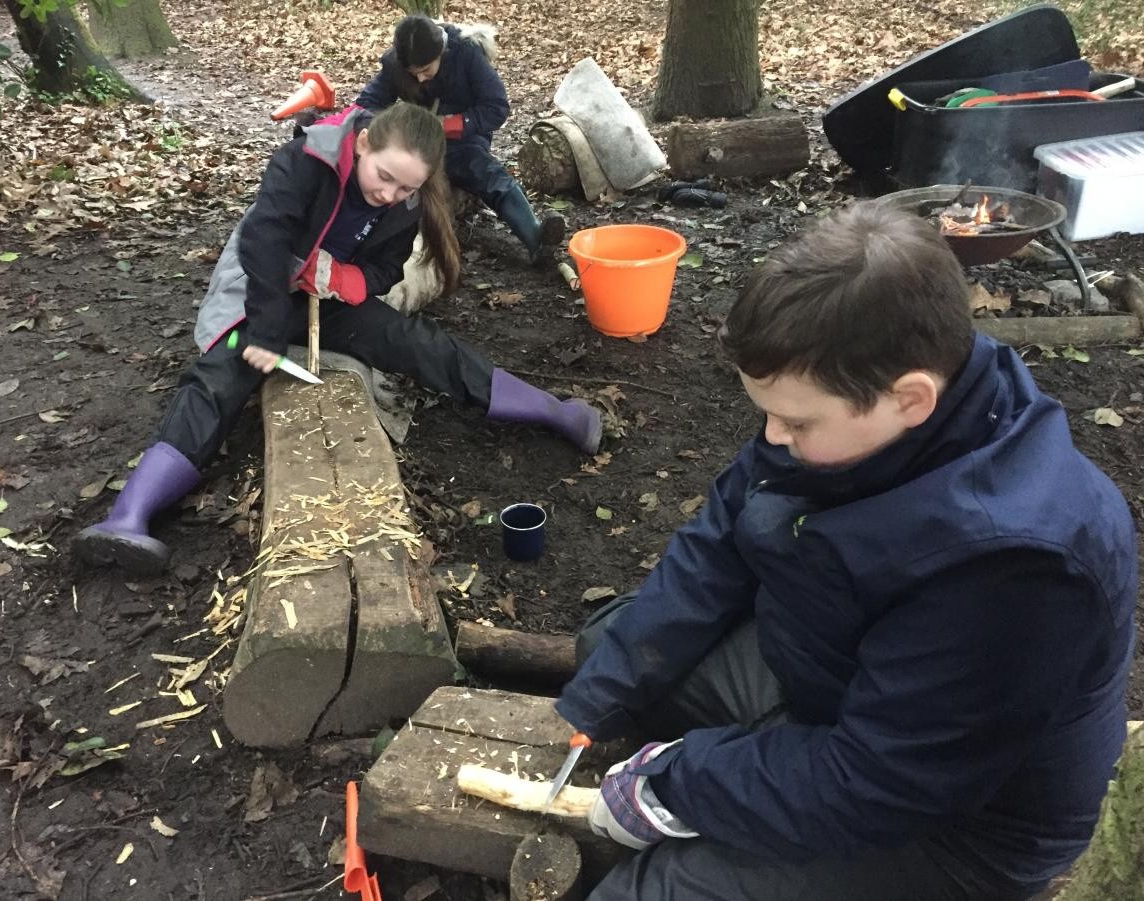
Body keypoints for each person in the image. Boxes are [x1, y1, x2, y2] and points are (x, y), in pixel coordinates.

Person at [555, 201, 1136, 900]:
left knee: (648, 893)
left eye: (796, 421)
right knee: (611, 647)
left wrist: (681, 784)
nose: (772, 437)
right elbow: (721, 538)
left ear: (910, 399)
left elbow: (881, 782)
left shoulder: (1015, 567)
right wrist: (606, 691)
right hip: (843, 686)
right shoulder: (870, 394)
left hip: (955, 825)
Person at [74, 103, 600, 575]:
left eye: (406, 189)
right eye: (385, 178)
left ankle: (554, 411)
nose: (389, 195)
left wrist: (348, 280)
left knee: (415, 342)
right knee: (217, 381)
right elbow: (262, 242)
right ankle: (129, 517)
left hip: (327, 299)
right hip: (257, 291)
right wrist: (267, 330)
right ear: (364, 142)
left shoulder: (405, 203)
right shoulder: (305, 162)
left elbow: (387, 268)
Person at [356, 14, 565, 266]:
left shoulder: (466, 53)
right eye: (414, 73)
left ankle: (536, 238)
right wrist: (387, 127)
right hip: (418, 140)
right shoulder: (396, 64)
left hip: (464, 138)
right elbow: (367, 104)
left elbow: (496, 107)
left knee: (487, 174)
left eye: (426, 70)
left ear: (441, 53)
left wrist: (449, 125)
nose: (420, 78)